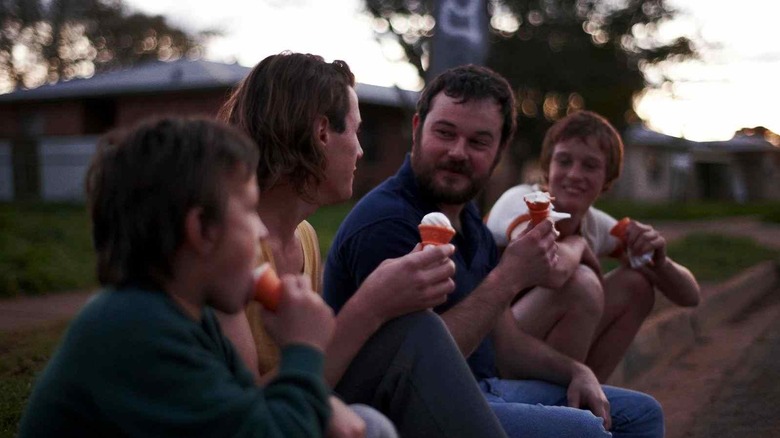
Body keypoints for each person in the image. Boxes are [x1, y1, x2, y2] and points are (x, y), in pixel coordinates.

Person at [324, 65, 665, 438]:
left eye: (479, 141)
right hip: (408, 411)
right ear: (417, 127)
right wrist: (509, 276)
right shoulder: (388, 223)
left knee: (642, 414)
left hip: (484, 387)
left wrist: (575, 371)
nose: (458, 152)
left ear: (501, 149)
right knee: (584, 431)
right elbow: (414, 366)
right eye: (445, 133)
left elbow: (505, 344)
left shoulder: (470, 221)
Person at [217, 52, 508, 438]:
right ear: (322, 133)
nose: (360, 150)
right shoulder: (225, 251)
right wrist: (372, 304)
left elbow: (316, 378)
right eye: (354, 131)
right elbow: (250, 419)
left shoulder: (303, 237)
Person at [18, 117, 336, 437]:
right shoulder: (135, 328)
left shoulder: (191, 317)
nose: (262, 231)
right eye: (250, 210)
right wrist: (303, 348)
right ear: (201, 229)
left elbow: (246, 408)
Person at [486, 110, 701, 382]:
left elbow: (690, 297)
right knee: (582, 284)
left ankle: (589, 401)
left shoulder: (595, 224)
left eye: (590, 166)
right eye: (564, 161)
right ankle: (558, 410)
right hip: (493, 345)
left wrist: (661, 262)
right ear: (547, 168)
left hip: (531, 337)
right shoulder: (522, 200)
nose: (574, 174)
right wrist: (577, 244)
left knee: (637, 284)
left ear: (607, 180)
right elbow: (550, 270)